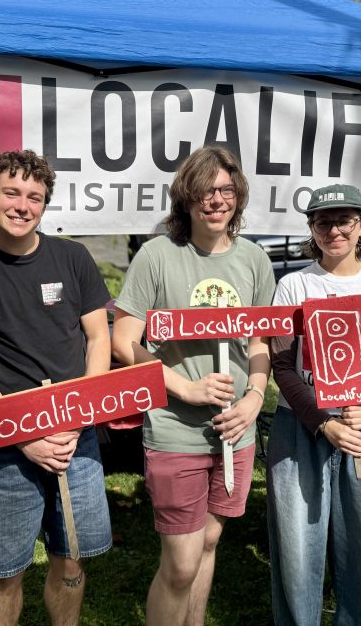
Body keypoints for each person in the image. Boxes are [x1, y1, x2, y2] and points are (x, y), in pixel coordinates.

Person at [0, 149, 112, 626]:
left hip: (74, 437)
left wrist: (79, 416)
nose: (22, 205)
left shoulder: (73, 257)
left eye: (34, 197)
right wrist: (25, 436)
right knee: (4, 572)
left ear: (44, 204)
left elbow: (98, 339)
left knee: (72, 558)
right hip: (3, 443)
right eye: (11, 193)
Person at [111, 145, 274, 626]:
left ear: (238, 197)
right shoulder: (158, 255)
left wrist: (254, 398)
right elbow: (124, 341)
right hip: (175, 430)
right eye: (204, 190)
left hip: (234, 433)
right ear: (186, 197)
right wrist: (185, 389)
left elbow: (260, 341)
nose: (215, 199)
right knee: (180, 564)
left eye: (225, 189)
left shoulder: (254, 259)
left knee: (207, 544)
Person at [267, 184, 361, 626]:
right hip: (302, 429)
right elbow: (282, 365)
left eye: (344, 220)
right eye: (322, 221)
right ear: (311, 229)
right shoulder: (294, 285)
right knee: (296, 552)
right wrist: (320, 422)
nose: (334, 230)